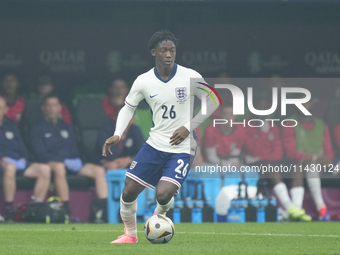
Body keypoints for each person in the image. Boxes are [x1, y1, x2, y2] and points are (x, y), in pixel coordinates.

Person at [102, 30, 219, 243]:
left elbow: (213, 101)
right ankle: (130, 235)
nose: (168, 54)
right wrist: (118, 134)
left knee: (163, 195)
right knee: (128, 192)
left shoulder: (190, 76)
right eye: (163, 50)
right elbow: (128, 108)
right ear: (153, 52)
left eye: (172, 50)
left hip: (182, 146)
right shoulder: (143, 81)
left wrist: (188, 126)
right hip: (155, 144)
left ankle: (159, 217)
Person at [30, 94, 107, 217]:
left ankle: (103, 210)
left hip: (71, 165)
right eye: (48, 106)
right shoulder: (37, 128)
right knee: (60, 167)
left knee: (98, 170)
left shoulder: (66, 126)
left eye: (54, 105)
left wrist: (76, 160)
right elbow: (40, 154)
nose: (51, 109)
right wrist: (62, 161)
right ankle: (66, 209)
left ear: (60, 108)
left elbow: (74, 149)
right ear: (43, 108)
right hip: (52, 164)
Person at [244, 96, 311, 221]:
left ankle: (295, 209)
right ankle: (289, 207)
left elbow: (278, 152)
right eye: (259, 107)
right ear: (252, 108)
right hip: (254, 164)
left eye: (265, 107)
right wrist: (261, 155)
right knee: (271, 167)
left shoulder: (273, 126)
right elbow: (252, 151)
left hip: (272, 161)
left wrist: (262, 156)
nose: (262, 110)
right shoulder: (245, 126)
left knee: (296, 168)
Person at [281, 97, 334, 221]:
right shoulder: (289, 123)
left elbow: (329, 151)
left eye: (307, 102)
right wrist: (313, 158)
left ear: (312, 104)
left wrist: (327, 159)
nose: (304, 105)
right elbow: (290, 152)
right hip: (298, 163)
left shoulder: (321, 124)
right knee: (309, 166)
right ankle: (321, 209)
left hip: (322, 164)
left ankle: (302, 210)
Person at [0, 96, 51, 222]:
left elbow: (22, 148)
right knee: (10, 168)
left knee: (45, 169)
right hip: (4, 165)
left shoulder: (11, 125)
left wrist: (22, 159)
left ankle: (35, 209)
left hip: (17, 163)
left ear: (6, 109)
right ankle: (9, 211)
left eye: (0, 108)